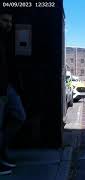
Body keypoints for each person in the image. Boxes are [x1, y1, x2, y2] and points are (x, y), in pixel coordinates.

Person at [0, 11, 26, 175]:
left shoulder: (6, 39)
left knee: (19, 116)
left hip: (8, 87)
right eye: (4, 20)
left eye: (10, 21)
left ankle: (1, 151)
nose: (8, 24)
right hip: (1, 88)